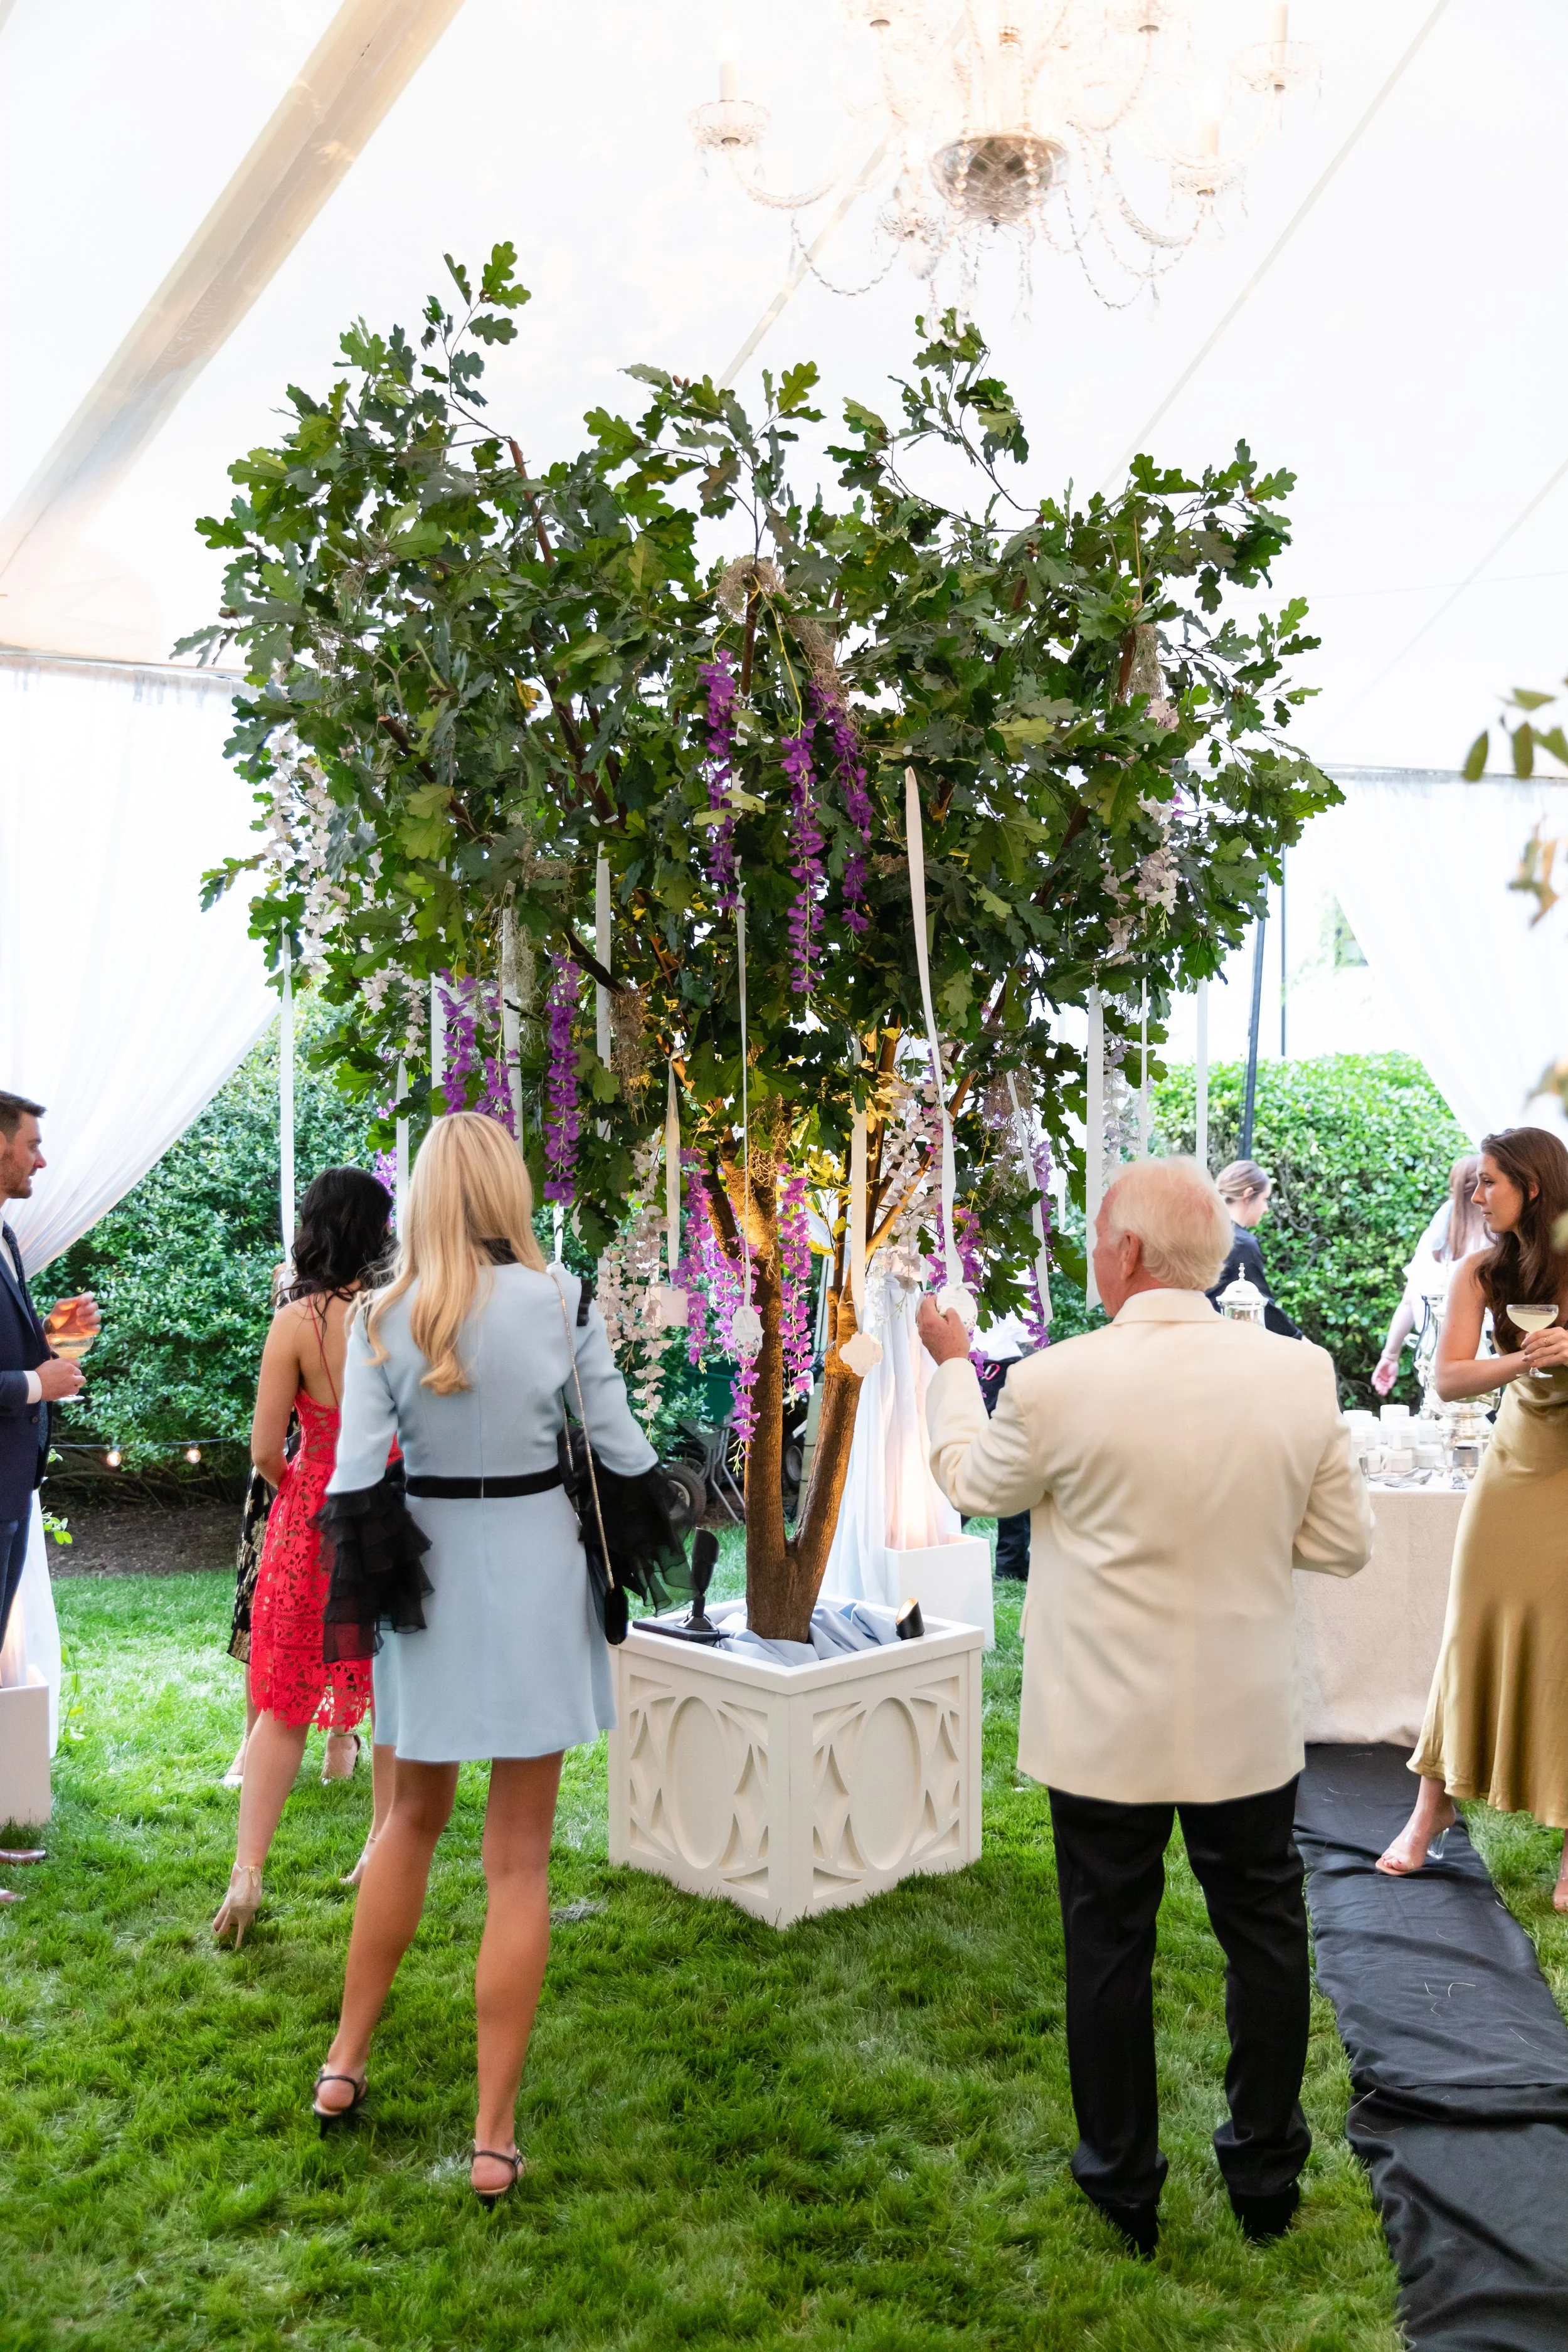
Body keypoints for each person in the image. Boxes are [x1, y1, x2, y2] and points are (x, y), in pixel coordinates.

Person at [919, 1158, 1371, 2257]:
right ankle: (1266, 2171)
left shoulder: (1055, 1380)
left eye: (1093, 1238)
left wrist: (948, 1370)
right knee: (1264, 1933)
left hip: (1104, 1724)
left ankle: (1122, 2182)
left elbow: (972, 1484)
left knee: (1109, 1945)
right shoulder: (1299, 1374)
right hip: (1247, 1714)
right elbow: (1346, 1545)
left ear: (1126, 1254)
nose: (1088, 1253)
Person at [310, 1112, 657, 2207]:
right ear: (506, 1190)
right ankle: (493, 2136)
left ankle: (344, 2062)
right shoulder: (562, 1301)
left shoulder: (377, 1316)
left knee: (407, 1822)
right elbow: (625, 1455)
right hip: (537, 1580)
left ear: (419, 1195)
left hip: (427, 1587)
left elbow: (356, 1486)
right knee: (519, 1862)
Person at [1377, 1128, 1568, 1909]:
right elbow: (1451, 1378)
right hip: (1516, 1465)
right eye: (1475, 1183)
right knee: (1470, 1628)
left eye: (1488, 1182)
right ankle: (1434, 1804)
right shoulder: (1478, 1270)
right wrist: (1523, 1361)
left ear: (1533, 1185)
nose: (1475, 1195)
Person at [211, 1168, 396, 1946]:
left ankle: (248, 1872)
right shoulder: (396, 1317)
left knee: (285, 1703)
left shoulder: (294, 1322)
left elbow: (262, 1451)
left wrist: (306, 1487)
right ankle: (381, 1855)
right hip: (385, 1513)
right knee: (393, 1696)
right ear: (374, 1233)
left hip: (307, 1517)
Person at [0, 1091, 97, 1903]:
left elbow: (17, 1343)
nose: (41, 1158)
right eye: (32, 1143)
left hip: (11, 1485)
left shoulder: (4, 1235)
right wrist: (37, 1380)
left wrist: (59, 1337)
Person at [1371, 1152, 1485, 1397]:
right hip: (1477, 1359)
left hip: (1437, 1354)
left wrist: (1390, 1355)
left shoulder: (1435, 1243)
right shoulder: (1498, 1242)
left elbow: (1409, 1300)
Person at [1207, 1158, 1301, 1338]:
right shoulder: (1241, 1244)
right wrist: (1300, 1340)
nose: (1266, 1209)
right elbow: (1265, 1307)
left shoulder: (1203, 1232)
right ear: (1248, 1194)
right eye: (1265, 1200)